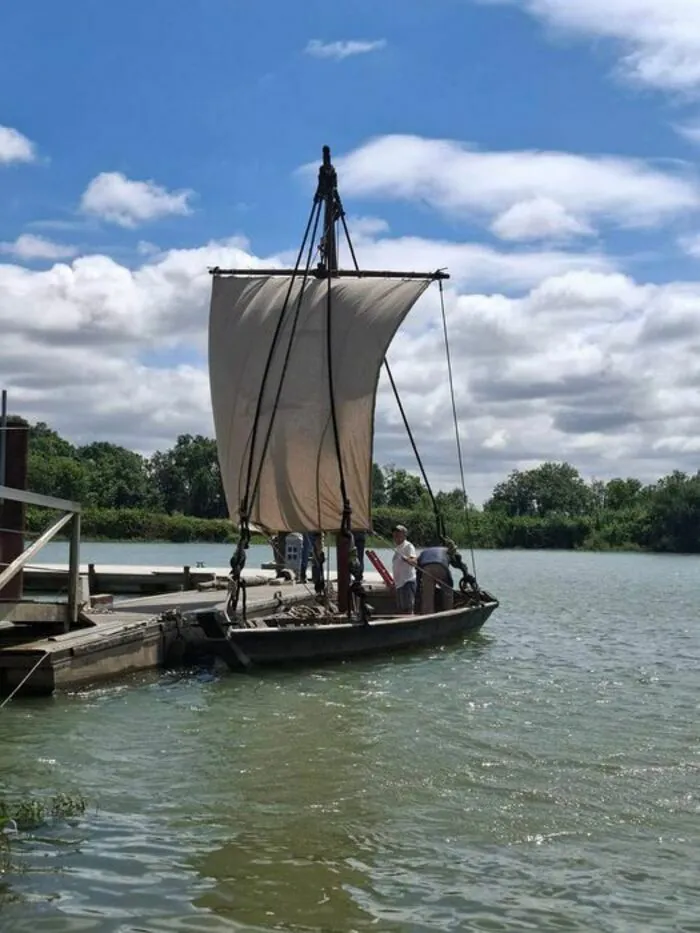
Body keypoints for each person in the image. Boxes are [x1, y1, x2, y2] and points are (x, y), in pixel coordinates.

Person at [416, 544, 454, 615]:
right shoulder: (447, 551)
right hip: (441, 566)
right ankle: (449, 611)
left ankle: (427, 615)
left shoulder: (423, 553)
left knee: (427, 595)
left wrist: (418, 589)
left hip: (426, 568)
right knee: (448, 590)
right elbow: (457, 565)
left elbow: (418, 571)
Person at [391, 524, 417, 614]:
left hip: (407, 582)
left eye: (398, 533)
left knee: (409, 607)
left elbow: (414, 562)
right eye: (394, 533)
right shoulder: (397, 548)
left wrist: (406, 559)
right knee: (401, 608)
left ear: (404, 535)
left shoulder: (408, 546)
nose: (396, 535)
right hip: (399, 584)